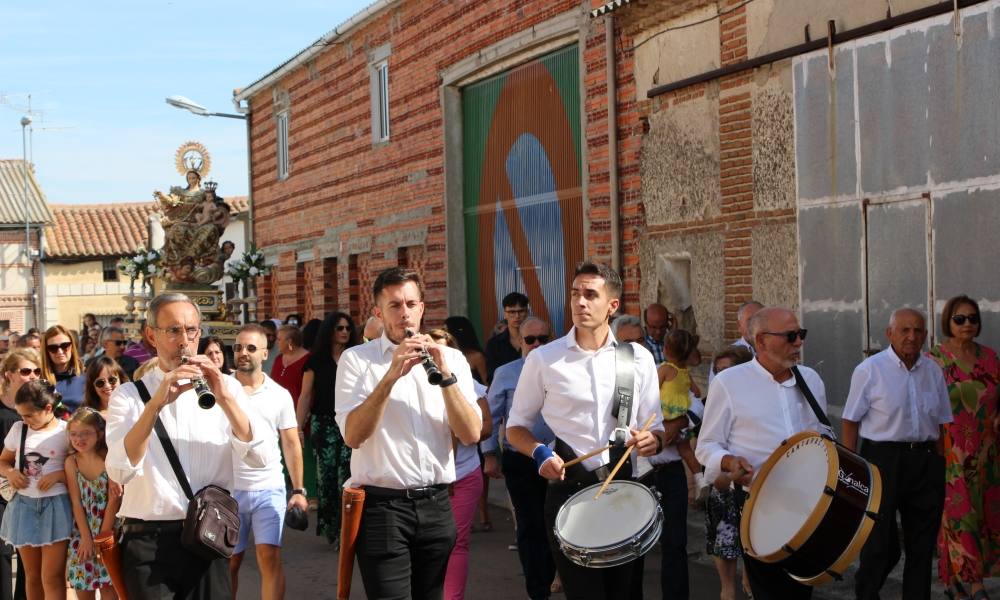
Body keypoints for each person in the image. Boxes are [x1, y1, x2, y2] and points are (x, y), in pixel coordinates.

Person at [507, 261, 665, 600]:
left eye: (590, 295)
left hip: (626, 491)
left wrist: (653, 440)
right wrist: (540, 453)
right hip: (570, 494)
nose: (580, 302)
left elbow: (657, 426)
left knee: (627, 594)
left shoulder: (637, 358)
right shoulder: (544, 359)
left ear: (612, 305)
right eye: (575, 294)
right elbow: (516, 428)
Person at [104, 292, 271, 598]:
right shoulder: (128, 396)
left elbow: (261, 457)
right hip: (149, 543)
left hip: (208, 536)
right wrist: (154, 406)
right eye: (174, 330)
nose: (185, 340)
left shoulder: (228, 387)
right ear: (151, 335)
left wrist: (225, 397)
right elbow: (118, 471)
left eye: (191, 330)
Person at [334, 267, 482, 599]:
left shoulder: (453, 359)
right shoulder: (356, 361)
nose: (405, 314)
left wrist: (445, 376)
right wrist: (389, 377)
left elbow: (471, 433)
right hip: (383, 508)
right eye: (395, 306)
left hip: (437, 503)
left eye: (411, 304)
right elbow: (353, 436)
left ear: (422, 308)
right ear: (378, 312)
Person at [696, 306, 826, 600]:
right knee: (769, 590)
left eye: (800, 334)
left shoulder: (811, 380)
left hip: (807, 504)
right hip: (759, 505)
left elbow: (823, 436)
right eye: (791, 336)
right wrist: (729, 461)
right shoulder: (729, 383)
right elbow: (706, 446)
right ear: (761, 340)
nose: (799, 342)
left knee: (800, 590)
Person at [842, 308, 952, 600]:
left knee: (922, 545)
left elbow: (941, 424)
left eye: (917, 331)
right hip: (882, 461)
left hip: (925, 462)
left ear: (926, 336)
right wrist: (849, 468)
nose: (911, 336)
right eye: (904, 330)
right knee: (879, 543)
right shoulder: (870, 370)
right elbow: (850, 420)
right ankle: (867, 594)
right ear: (889, 333)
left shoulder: (933, 370)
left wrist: (942, 466)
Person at [927, 296, 1000, 600]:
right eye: (960, 319)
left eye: (972, 318)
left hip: (988, 450)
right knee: (958, 514)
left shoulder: (991, 357)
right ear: (948, 322)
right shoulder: (935, 359)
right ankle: (973, 584)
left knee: (983, 513)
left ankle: (953, 581)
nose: (967, 324)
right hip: (952, 449)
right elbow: (925, 405)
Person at [228, 324, 308, 600]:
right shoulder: (221, 390)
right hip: (229, 491)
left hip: (268, 489)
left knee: (269, 557)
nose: (243, 353)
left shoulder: (279, 394)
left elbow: (290, 442)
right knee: (230, 563)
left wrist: (298, 491)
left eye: (251, 348)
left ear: (264, 353)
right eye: (238, 347)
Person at [482, 316, 557, 600]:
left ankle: (557, 575)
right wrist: (489, 454)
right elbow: (492, 415)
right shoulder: (507, 373)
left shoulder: (563, 370)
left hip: (561, 457)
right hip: (521, 459)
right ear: (520, 342)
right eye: (530, 339)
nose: (537, 344)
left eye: (543, 339)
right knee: (530, 523)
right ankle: (538, 589)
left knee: (558, 522)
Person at [428, 328, 491, 600]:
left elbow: (485, 425)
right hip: (426, 478)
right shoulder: (417, 380)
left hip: (464, 473)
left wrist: (467, 431)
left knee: (457, 542)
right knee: (428, 547)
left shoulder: (469, 382)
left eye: (445, 351)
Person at [0, 380, 72, 600]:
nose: (25, 420)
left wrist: (59, 475)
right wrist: (11, 473)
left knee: (52, 576)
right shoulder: (19, 429)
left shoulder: (66, 431)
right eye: (21, 415)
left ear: (48, 408)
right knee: (31, 576)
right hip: (24, 506)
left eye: (30, 415)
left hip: (56, 505)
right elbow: (3, 461)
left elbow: (80, 468)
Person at [297, 312, 357, 544]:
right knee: (327, 478)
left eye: (347, 328)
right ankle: (332, 529)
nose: (344, 332)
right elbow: (305, 396)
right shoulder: (316, 360)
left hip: (350, 422)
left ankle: (348, 531)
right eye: (339, 328)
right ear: (330, 331)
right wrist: (297, 428)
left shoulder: (356, 357)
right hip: (323, 423)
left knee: (348, 476)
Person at [702, 346, 754, 600]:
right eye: (718, 371)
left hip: (752, 484)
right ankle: (727, 590)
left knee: (752, 544)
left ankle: (749, 579)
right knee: (724, 542)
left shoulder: (755, 397)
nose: (721, 376)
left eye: (728, 370)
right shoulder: (716, 396)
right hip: (725, 483)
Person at [64, 408, 120, 600]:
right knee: (82, 584)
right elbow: (76, 502)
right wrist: (87, 539)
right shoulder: (72, 462)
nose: (79, 439)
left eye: (86, 433)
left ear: (99, 434)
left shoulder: (108, 458)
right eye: (74, 434)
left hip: (109, 530)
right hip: (83, 530)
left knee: (109, 588)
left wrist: (101, 540)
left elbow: (115, 499)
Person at [443, 315, 492, 531]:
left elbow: (485, 381)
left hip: (471, 408)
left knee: (477, 468)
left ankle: (483, 513)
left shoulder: (474, 357)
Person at [0, 349, 39, 600]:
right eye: (26, 371)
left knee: (30, 568)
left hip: (31, 494)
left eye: (36, 371)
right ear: (9, 375)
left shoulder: (42, 408)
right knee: (2, 557)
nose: (32, 376)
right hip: (1, 492)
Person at [708, 300, 763, 384]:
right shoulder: (725, 356)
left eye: (760, 320)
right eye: (750, 320)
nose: (756, 325)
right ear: (739, 325)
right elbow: (717, 391)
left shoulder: (777, 351)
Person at [485, 292, 529, 382]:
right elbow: (492, 376)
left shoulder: (537, 340)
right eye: (512, 312)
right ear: (505, 313)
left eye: (521, 311)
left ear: (527, 312)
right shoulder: (494, 344)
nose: (517, 316)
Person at [40, 326, 86, 412]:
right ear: (46, 351)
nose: (60, 351)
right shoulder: (40, 381)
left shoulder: (87, 377)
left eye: (65, 346)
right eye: (53, 348)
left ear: (72, 347)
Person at [271, 325, 309, 404]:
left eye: (279, 339)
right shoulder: (278, 359)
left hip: (297, 412)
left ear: (289, 341)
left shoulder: (308, 360)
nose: (276, 342)